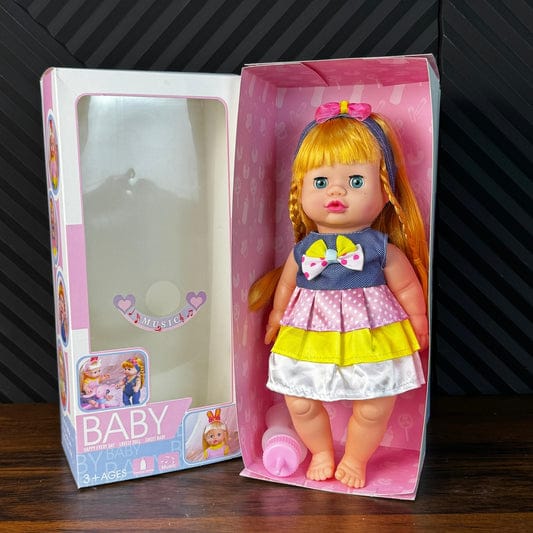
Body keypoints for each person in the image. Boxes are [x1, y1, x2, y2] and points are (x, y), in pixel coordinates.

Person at [249, 101, 428, 488]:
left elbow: (406, 286)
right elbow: (285, 287)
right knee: (299, 400)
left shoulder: (380, 249)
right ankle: (321, 451)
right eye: (320, 182)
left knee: (375, 405)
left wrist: (419, 321)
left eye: (356, 181)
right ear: (299, 190)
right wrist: (276, 316)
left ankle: (357, 458)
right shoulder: (303, 251)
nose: (336, 191)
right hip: (310, 335)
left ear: (385, 190)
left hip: (371, 336)